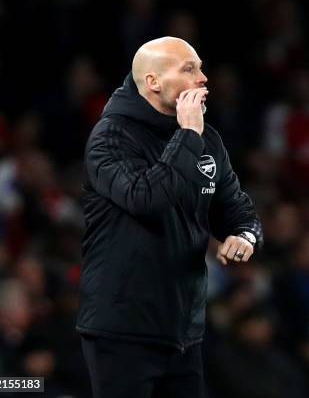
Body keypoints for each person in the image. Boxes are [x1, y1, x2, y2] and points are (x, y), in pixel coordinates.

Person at [76, 36, 263, 398]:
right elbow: (147, 199)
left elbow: (238, 210)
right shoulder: (111, 136)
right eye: (189, 69)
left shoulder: (207, 140)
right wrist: (188, 134)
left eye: (201, 67)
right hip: (122, 330)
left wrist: (244, 236)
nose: (203, 78)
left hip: (184, 330)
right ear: (153, 82)